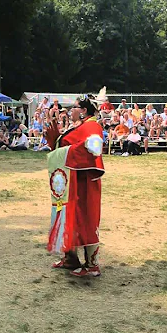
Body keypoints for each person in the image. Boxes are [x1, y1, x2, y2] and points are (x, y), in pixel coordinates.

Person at [44, 95, 105, 278]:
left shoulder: (92, 126)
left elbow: (95, 147)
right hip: (72, 180)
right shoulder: (77, 126)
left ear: (84, 110)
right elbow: (63, 146)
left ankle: (92, 265)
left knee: (86, 218)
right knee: (69, 216)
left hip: (85, 182)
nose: (71, 110)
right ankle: (70, 258)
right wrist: (54, 140)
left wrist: (67, 151)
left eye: (75, 107)